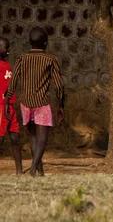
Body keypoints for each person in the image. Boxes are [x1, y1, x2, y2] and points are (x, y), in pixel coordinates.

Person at [4, 27, 65, 177]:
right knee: (42, 137)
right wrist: (61, 104)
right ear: (46, 43)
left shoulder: (20, 59)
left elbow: (12, 82)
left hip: (25, 103)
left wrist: (7, 101)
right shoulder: (50, 60)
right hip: (42, 103)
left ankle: (40, 170)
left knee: (32, 136)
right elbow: (59, 85)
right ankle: (32, 169)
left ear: (29, 42)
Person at [0, 37, 23, 175]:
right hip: (2, 106)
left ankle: (19, 171)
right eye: (4, 47)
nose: (7, 50)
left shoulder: (7, 64)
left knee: (15, 138)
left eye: (7, 47)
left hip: (11, 106)